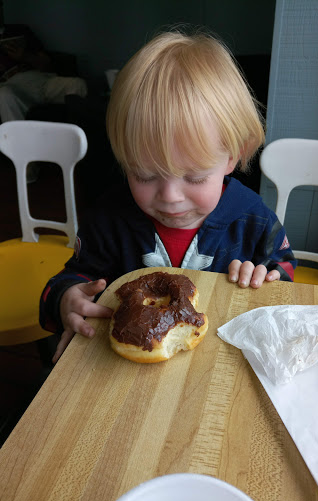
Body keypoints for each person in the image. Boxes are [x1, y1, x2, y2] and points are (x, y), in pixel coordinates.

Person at [39, 29, 297, 363]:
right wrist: (65, 300)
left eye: (195, 176)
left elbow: (285, 267)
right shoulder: (107, 220)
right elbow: (73, 276)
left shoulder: (253, 218)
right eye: (144, 174)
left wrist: (268, 275)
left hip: (218, 364)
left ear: (233, 156)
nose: (170, 196)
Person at [0, 24, 87, 122]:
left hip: (40, 80)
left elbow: (46, 63)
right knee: (4, 95)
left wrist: (24, 56)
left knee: (77, 84)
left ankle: (78, 133)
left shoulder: (17, 31)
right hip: (11, 86)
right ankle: (17, 137)